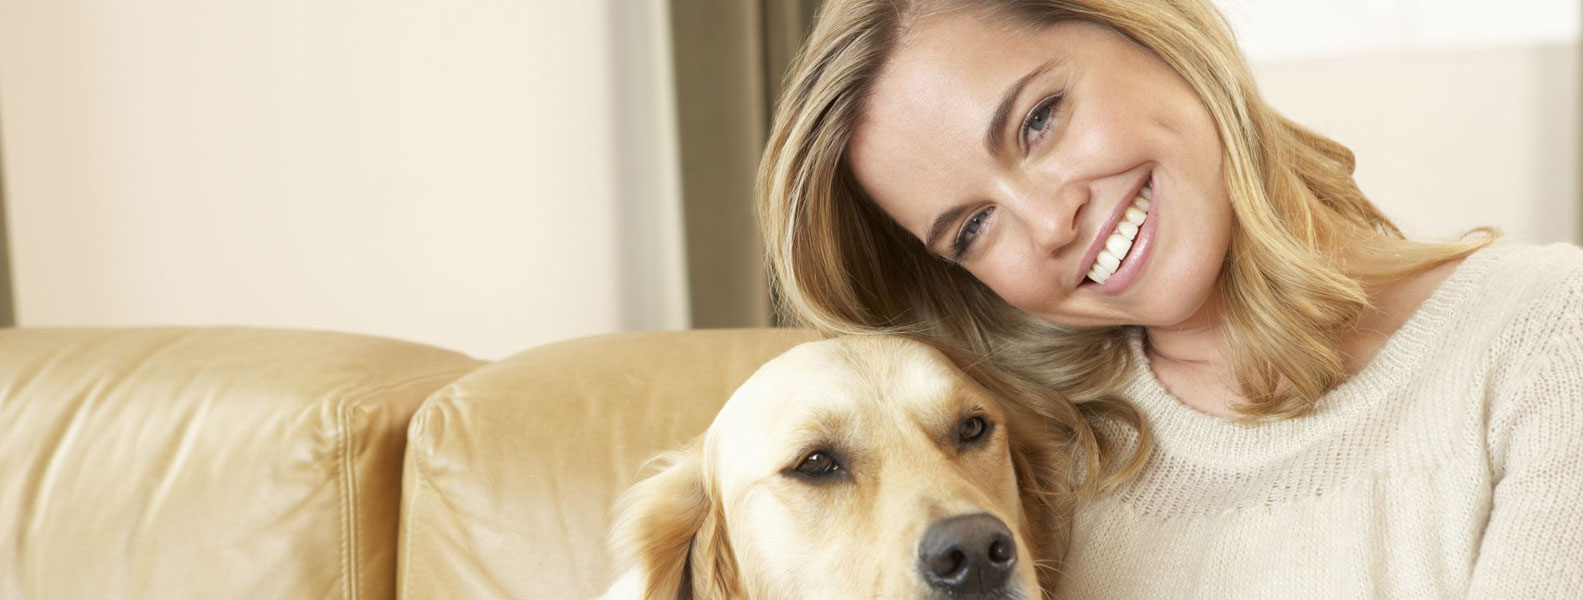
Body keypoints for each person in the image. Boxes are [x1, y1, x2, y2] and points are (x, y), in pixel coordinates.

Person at [755, 0, 1583, 597]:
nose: (1049, 221)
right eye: (972, 227)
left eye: (1038, 119)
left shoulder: (1547, 338)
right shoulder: (1019, 467)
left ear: (1140, 25)